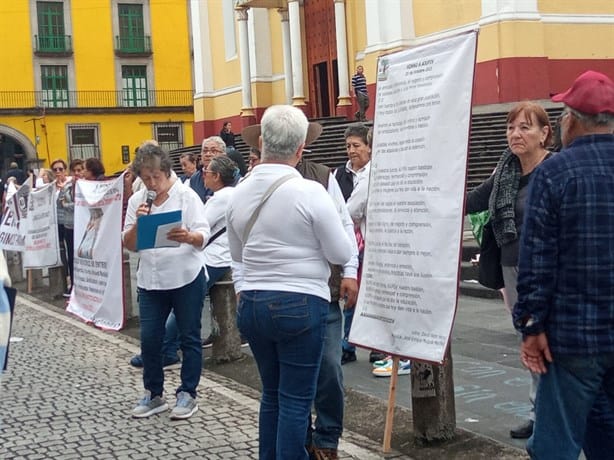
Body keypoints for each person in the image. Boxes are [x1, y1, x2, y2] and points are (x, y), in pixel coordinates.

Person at [227, 105, 354, 459]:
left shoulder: (239, 192)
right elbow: (340, 251)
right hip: (300, 302)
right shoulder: (310, 191)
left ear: (263, 142)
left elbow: (237, 254)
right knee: (296, 401)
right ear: (300, 150)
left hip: (253, 301)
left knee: (272, 395)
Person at [513, 70, 614, 459]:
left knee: (556, 444)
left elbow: (537, 259)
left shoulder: (555, 172)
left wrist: (531, 324)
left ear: (570, 120)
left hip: (572, 337)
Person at [465, 101, 553, 439]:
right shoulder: (504, 172)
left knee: (548, 341)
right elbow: (471, 201)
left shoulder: (554, 168)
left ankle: (552, 415)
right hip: (512, 268)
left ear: (544, 133)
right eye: (511, 127)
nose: (516, 134)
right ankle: (538, 411)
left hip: (546, 270)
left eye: (525, 127)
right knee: (527, 341)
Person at [123, 142, 210, 420]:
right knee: (150, 339)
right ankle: (153, 393)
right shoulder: (138, 200)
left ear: (165, 171)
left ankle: (187, 393)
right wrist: (138, 224)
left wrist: (188, 236)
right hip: (151, 279)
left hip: (185, 276)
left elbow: (203, 235)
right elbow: (129, 243)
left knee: (189, 337)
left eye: (155, 177)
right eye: (145, 178)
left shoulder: (186, 196)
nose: (151, 183)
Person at [334, 123, 384, 365]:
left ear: (369, 148)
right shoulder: (338, 175)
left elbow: (351, 210)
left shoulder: (375, 173)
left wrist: (345, 216)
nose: (352, 151)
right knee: (352, 294)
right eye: (348, 146)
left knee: (374, 297)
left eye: (357, 145)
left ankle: (376, 346)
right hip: (350, 243)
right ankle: (348, 343)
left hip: (373, 242)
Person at [58, 159, 85, 296]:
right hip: (70, 226)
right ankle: (74, 285)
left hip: (84, 226)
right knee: (71, 257)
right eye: (74, 171)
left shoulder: (88, 186)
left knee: (84, 256)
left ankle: (85, 285)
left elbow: (82, 205)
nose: (77, 173)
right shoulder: (67, 186)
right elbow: (59, 203)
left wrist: (67, 205)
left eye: (79, 170)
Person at [51, 159, 72, 297]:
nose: (58, 172)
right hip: (56, 224)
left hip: (69, 223)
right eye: (55, 170)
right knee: (60, 254)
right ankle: (63, 283)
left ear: (65, 170)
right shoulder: (51, 187)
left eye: (60, 169)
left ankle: (72, 283)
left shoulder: (70, 185)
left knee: (71, 253)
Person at [189, 136, 227, 203]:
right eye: (205, 151)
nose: (208, 154)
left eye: (213, 151)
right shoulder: (194, 178)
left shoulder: (229, 176)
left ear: (223, 155)